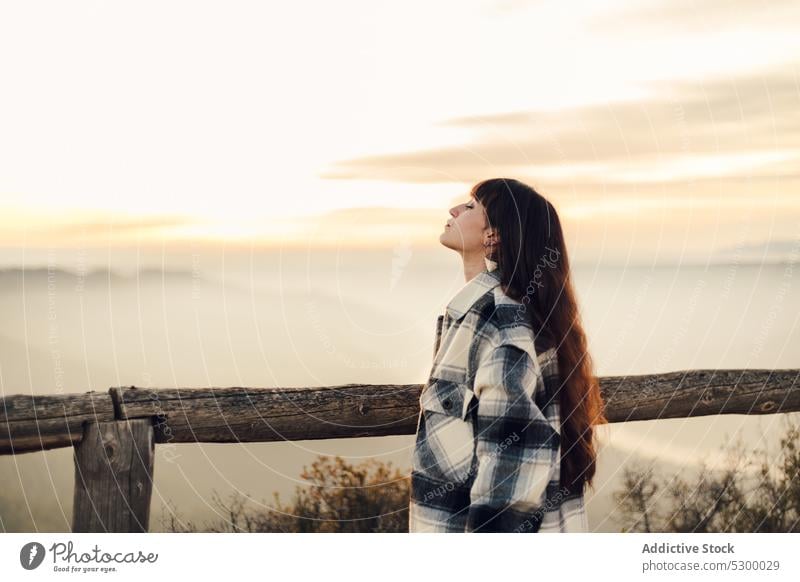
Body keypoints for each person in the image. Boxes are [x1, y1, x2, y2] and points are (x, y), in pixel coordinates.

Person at [408, 178, 607, 533]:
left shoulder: (497, 324)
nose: (454, 210)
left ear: (494, 235)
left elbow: (512, 467)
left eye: (470, 207)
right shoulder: (499, 314)